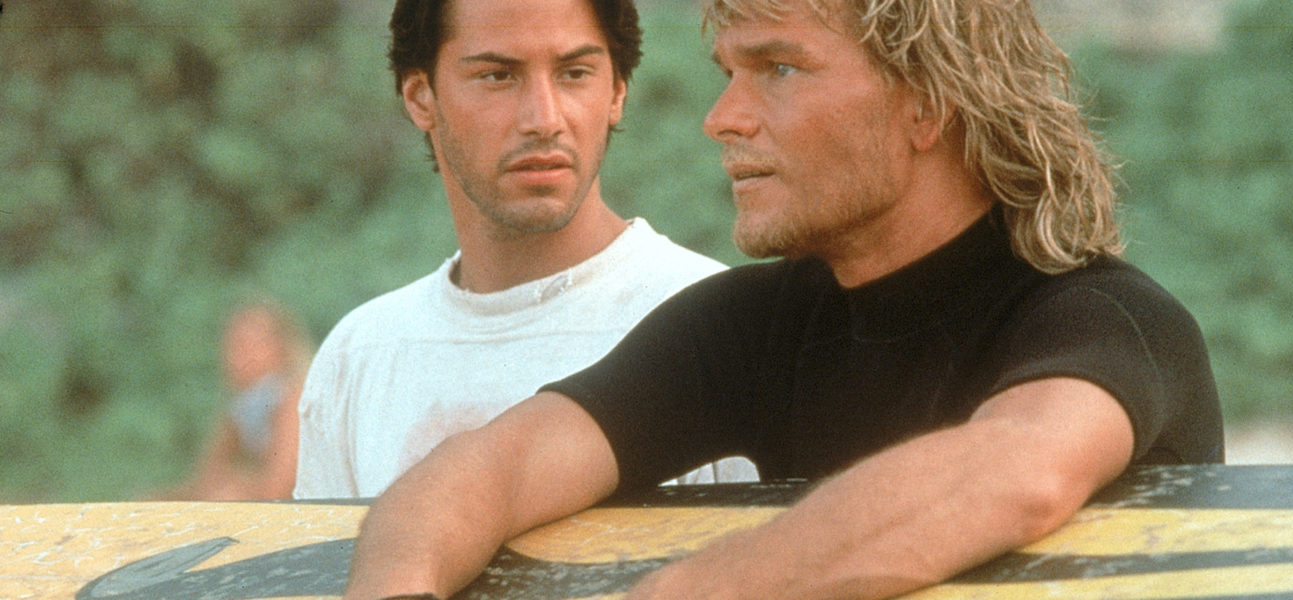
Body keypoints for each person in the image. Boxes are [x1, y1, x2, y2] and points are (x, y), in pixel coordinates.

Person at [343, 0, 1224, 597]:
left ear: (928, 104)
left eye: (778, 68)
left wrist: (684, 592)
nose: (722, 117)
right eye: (729, 71)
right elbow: (486, 472)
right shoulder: (756, 326)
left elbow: (1017, 472)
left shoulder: (1108, 320)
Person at [293, 0, 757, 498]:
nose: (544, 119)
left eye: (574, 73)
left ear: (617, 91)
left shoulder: (721, 329)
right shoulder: (360, 357)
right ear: (420, 97)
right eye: (498, 76)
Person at [158, 301, 309, 500]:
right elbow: (205, 480)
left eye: (252, 344)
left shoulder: (293, 398)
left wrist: (236, 487)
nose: (239, 355)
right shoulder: (245, 407)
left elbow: (278, 489)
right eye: (233, 345)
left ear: (282, 347)